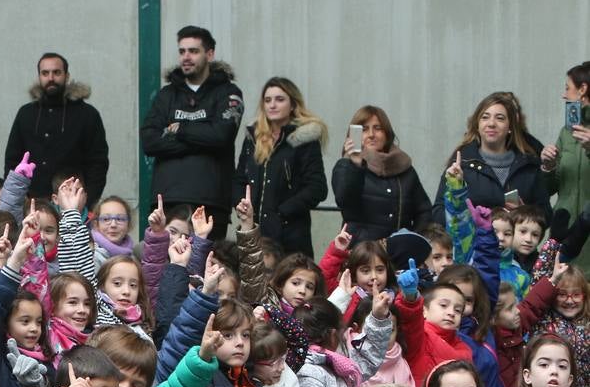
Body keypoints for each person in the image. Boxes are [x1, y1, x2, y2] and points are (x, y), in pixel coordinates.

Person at [140, 26, 244, 239]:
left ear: (210, 54)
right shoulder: (166, 95)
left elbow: (222, 136)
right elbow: (150, 142)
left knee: (207, 266)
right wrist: (203, 137)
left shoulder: (228, 92)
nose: (186, 57)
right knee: (165, 265)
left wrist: (179, 129)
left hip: (211, 200)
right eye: (182, 51)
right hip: (167, 199)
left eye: (193, 51)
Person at [234, 77, 328, 257]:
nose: (272, 105)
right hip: (253, 230)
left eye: (280, 99)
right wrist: (241, 205)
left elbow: (317, 188)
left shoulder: (304, 139)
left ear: (292, 104)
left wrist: (281, 213)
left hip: (290, 235)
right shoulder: (253, 138)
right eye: (267, 100)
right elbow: (239, 179)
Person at [3, 53, 109, 206]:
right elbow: (12, 160)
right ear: (39, 76)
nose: (51, 78)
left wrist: (88, 201)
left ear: (67, 75)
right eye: (45, 73)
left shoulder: (87, 114)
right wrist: (17, 196)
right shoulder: (26, 113)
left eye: (56, 72)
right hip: (31, 203)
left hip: (72, 202)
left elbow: (98, 163)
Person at [433, 92, 550, 224]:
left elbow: (546, 214)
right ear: (477, 125)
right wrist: (470, 215)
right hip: (473, 243)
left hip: (515, 244)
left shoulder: (528, 165)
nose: (491, 124)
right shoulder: (461, 164)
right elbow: (438, 213)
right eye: (485, 117)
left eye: (500, 118)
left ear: (510, 127)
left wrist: (524, 213)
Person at [331, 105, 434, 241]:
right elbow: (344, 202)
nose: (371, 134)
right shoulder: (346, 166)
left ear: (387, 133)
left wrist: (413, 241)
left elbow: (424, 211)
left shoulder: (405, 168)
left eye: (378, 128)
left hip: (398, 255)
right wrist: (356, 165)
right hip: (363, 254)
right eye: (364, 129)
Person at [545, 61, 590, 267]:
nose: (564, 95)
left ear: (583, 89)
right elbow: (550, 187)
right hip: (565, 234)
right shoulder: (567, 131)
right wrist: (548, 165)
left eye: (567, 88)